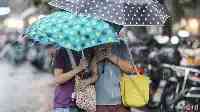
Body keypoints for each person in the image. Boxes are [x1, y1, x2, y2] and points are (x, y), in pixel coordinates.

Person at [93, 42, 144, 112]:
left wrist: (110, 56)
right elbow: (87, 71)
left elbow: (130, 69)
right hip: (98, 101)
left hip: (120, 100)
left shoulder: (121, 45)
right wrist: (96, 58)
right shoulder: (93, 44)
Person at [50, 46, 98, 112]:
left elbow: (96, 75)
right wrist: (79, 68)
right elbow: (58, 79)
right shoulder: (62, 51)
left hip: (84, 104)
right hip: (65, 104)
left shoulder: (89, 50)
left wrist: (88, 81)